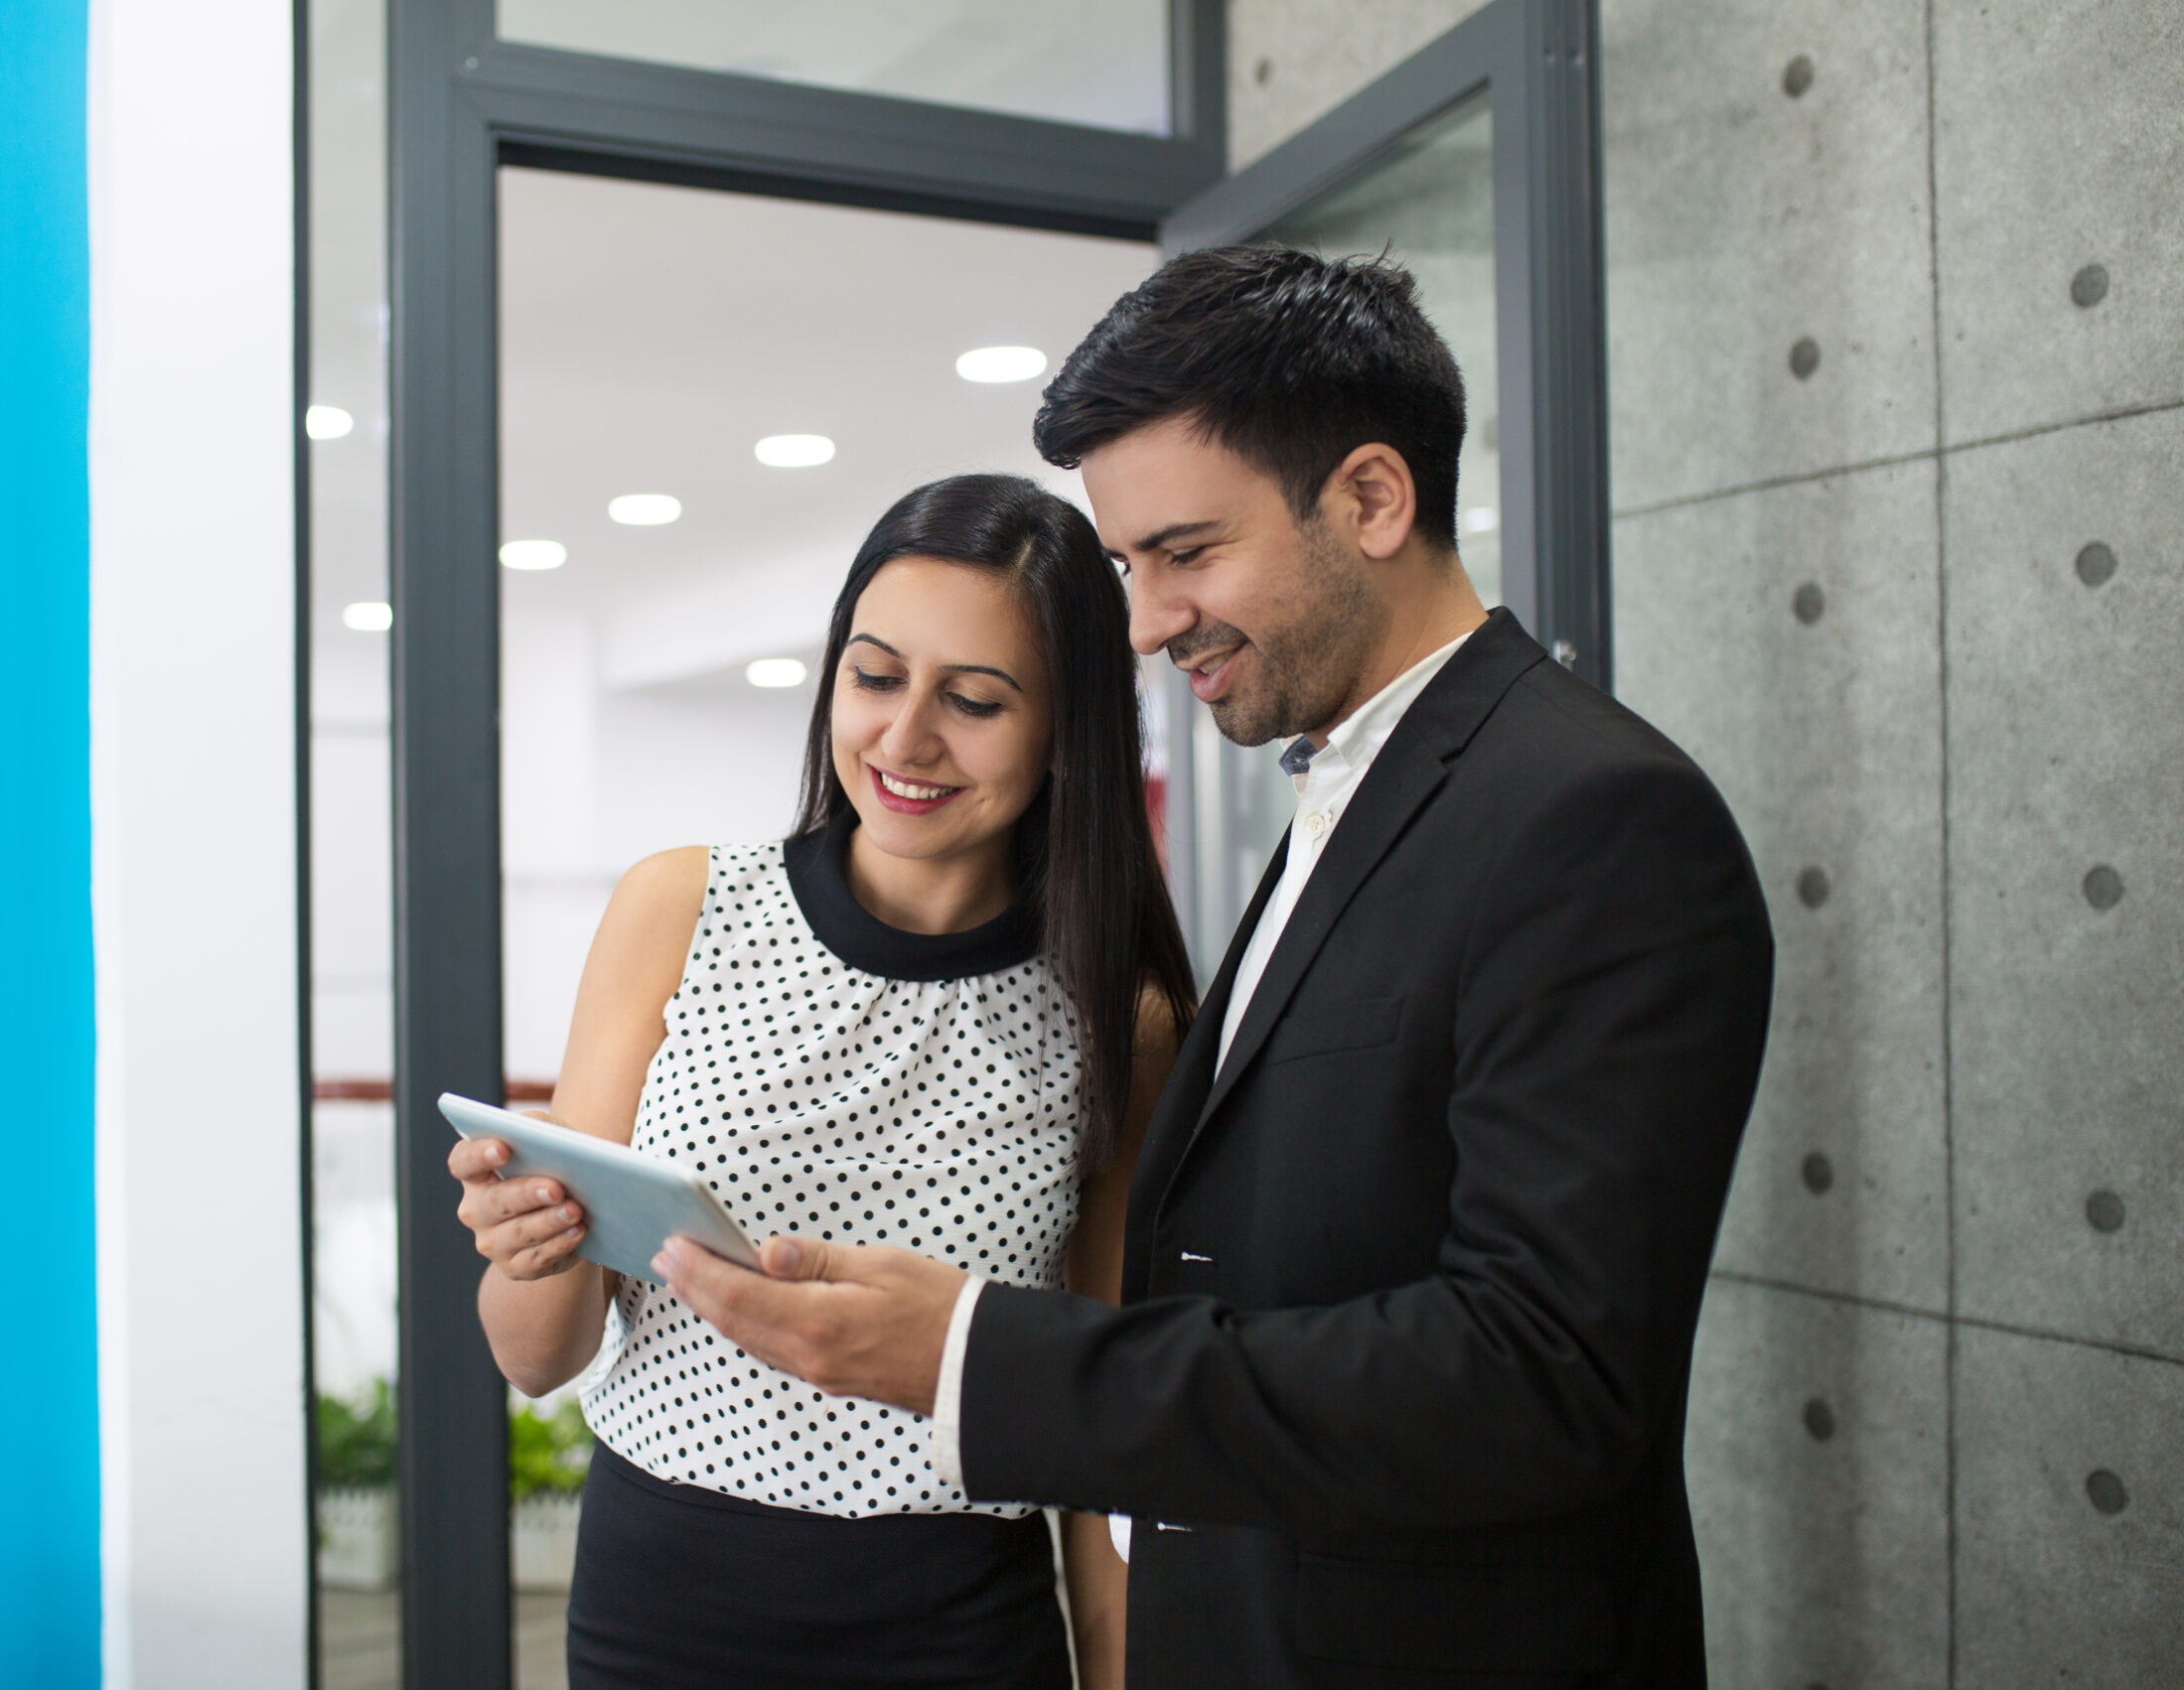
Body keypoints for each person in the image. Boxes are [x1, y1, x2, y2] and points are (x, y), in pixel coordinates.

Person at [659, 247, 1777, 1688]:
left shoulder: (1593, 815)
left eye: (1186, 553)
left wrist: (982, 1355)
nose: (1144, 622)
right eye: (1131, 567)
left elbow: (1543, 1373)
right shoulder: (1356, 790)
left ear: (1370, 499)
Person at [448, 474, 1197, 1690]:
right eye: (875, 676)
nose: (904, 739)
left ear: (1069, 729)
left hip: (956, 1630)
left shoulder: (1121, 1013)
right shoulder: (679, 908)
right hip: (661, 1611)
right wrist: (529, 1251)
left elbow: (1099, 1423)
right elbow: (535, 1358)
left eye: (974, 700)